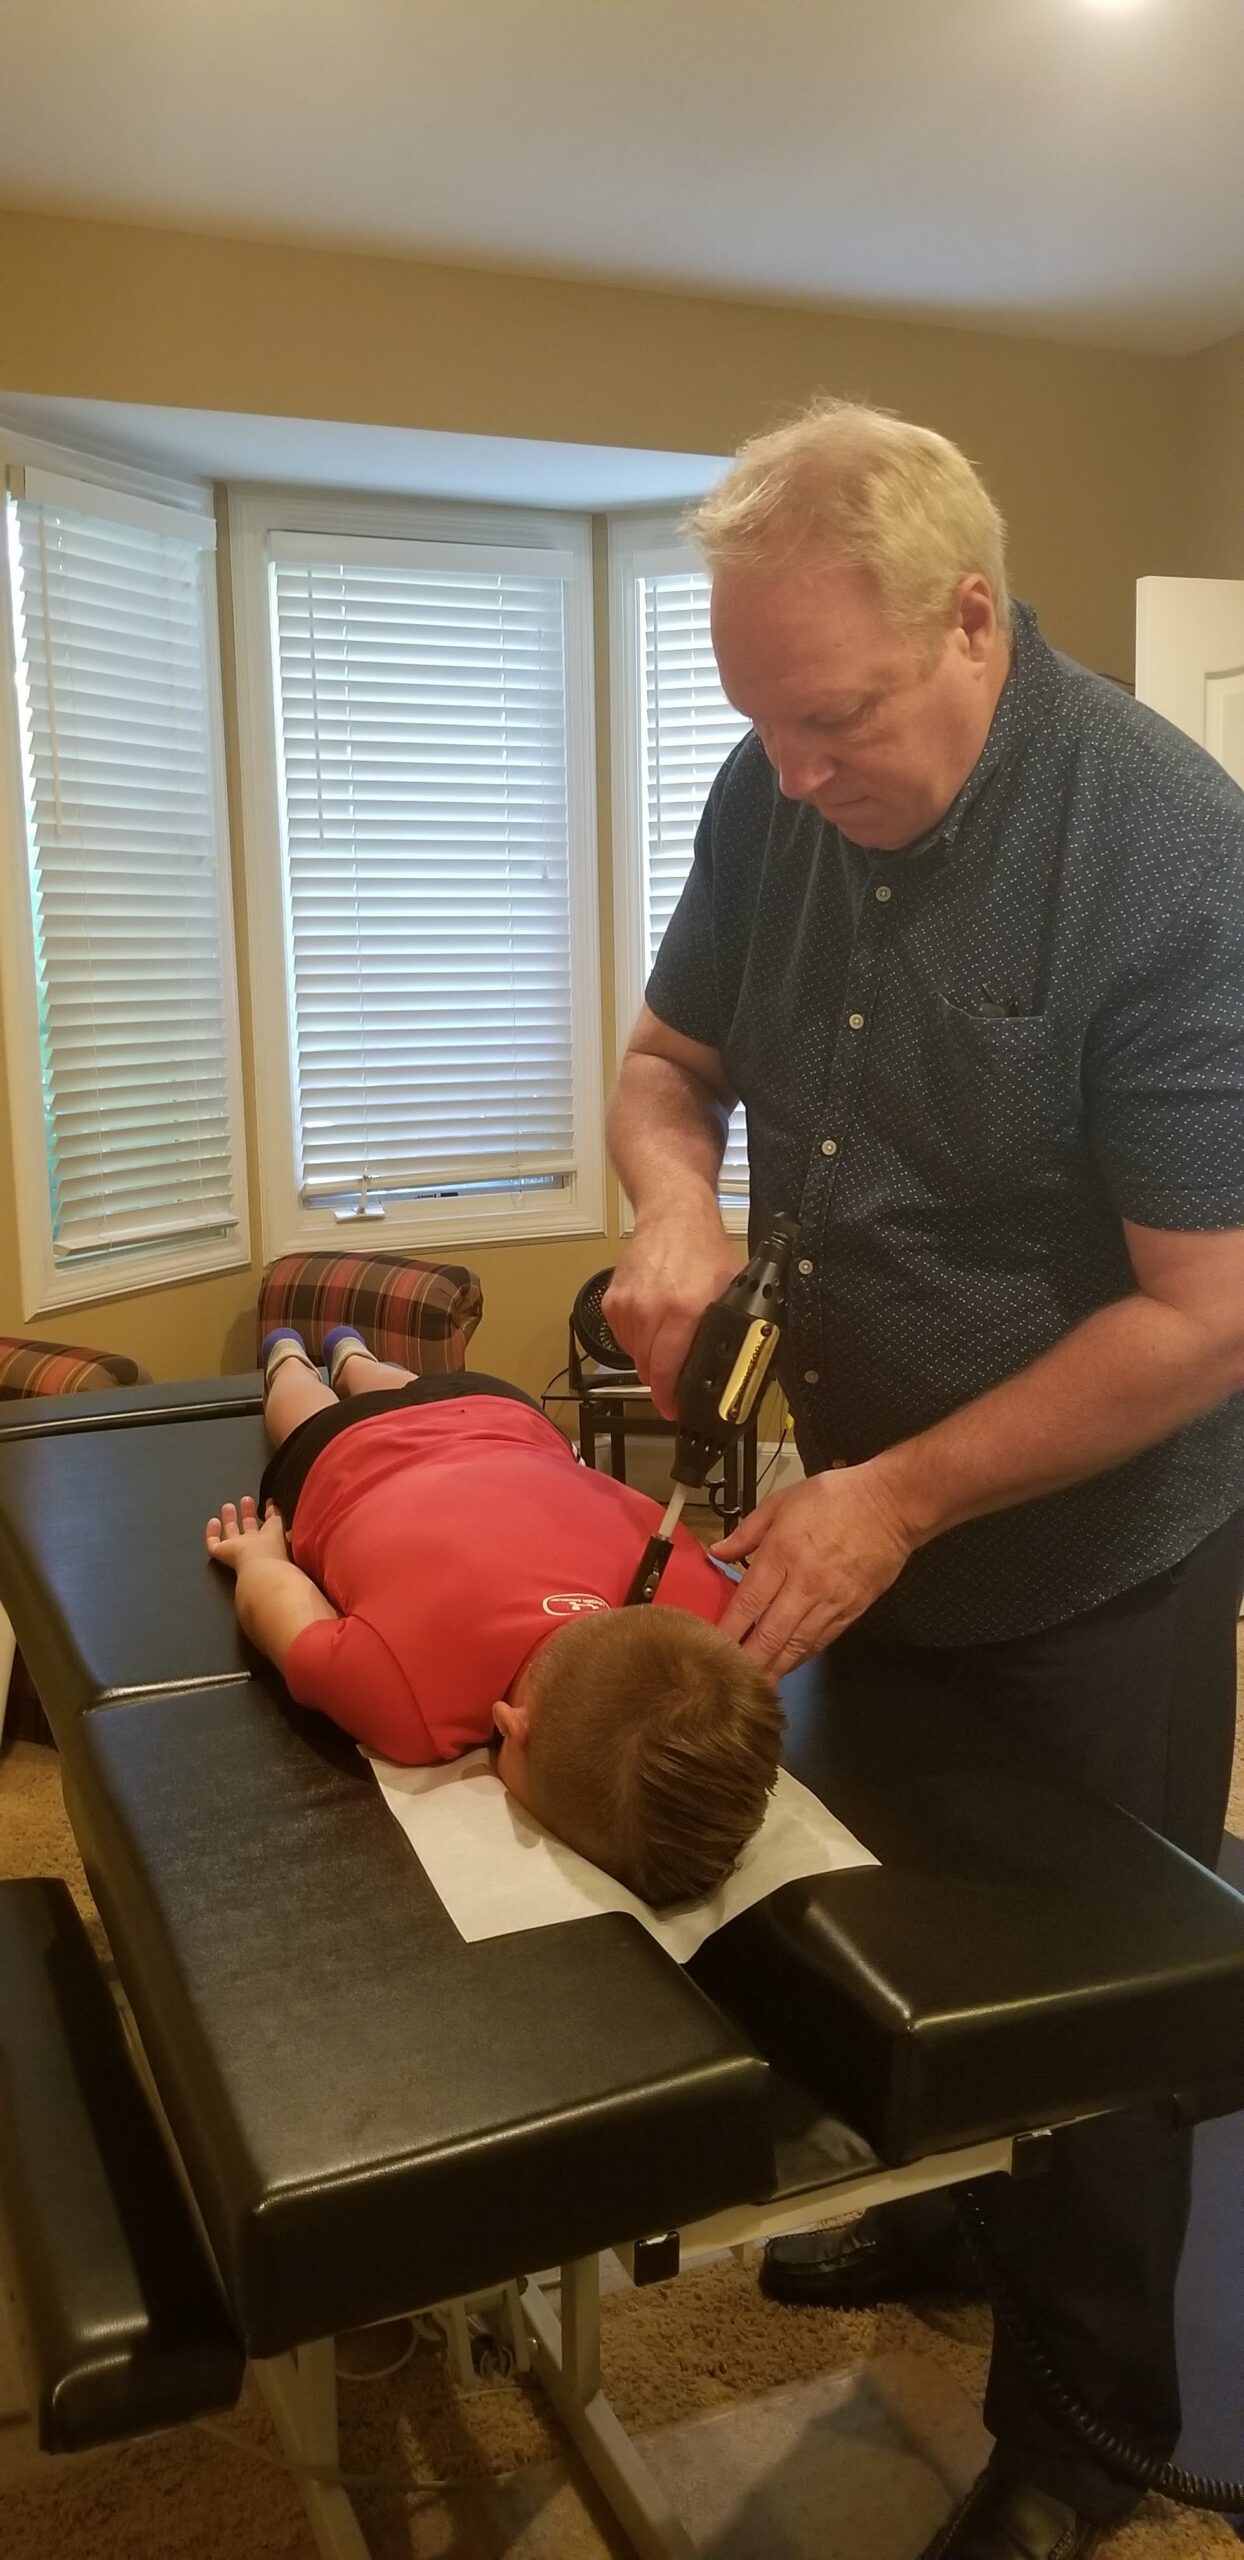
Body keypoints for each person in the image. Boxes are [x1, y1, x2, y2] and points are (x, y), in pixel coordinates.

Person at [604, 398, 1244, 2558]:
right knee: (907, 1911)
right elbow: (667, 1061)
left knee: (1093, 2002)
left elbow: (1206, 1313)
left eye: (834, 720)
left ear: (970, 620)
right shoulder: (771, 783)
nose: (788, 773)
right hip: (860, 1498)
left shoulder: (1165, 853)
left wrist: (896, 1496)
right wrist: (668, 1205)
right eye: (757, 724)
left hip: (1099, 1555)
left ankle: (1084, 2434)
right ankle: (956, 2219)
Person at [205, 1325, 782, 1908]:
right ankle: (286, 1362)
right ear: (510, 1726)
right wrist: (258, 1557)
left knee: (394, 1384)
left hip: (497, 1409)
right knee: (300, 1411)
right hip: (338, 1449)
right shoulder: (409, 1702)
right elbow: (280, 1611)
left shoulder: (717, 1613)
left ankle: (350, 1356)